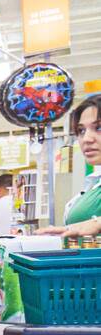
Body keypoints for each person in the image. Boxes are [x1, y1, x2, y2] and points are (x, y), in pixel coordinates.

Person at [41, 94, 101, 242]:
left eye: (98, 128)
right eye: (81, 131)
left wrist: (98, 223)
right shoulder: (93, 184)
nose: (87, 138)